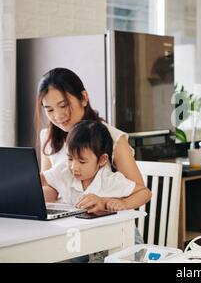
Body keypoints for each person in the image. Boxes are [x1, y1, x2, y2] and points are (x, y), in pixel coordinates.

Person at [36, 67, 149, 212]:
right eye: (49, 109)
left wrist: (103, 202)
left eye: (63, 105)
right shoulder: (48, 137)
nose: (58, 116)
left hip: (112, 225)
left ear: (83, 98)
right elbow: (49, 186)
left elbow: (140, 193)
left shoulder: (114, 139)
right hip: (72, 221)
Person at [41, 120, 151, 211]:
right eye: (70, 158)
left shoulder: (109, 180)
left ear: (102, 160)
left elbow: (145, 193)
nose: (74, 167)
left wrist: (123, 203)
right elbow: (39, 179)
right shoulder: (64, 171)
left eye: (82, 161)